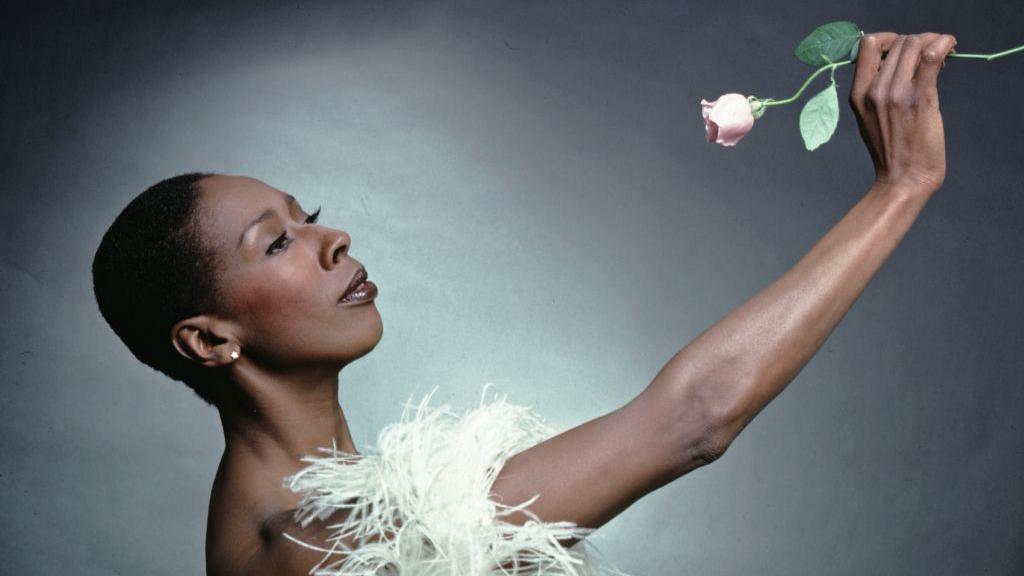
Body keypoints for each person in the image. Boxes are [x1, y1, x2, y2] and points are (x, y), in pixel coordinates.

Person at [91, 31, 956, 576]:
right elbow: (691, 422)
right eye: (276, 243)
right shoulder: (301, 544)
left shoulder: (348, 496)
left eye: (305, 216)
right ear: (208, 340)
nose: (335, 239)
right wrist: (900, 187)